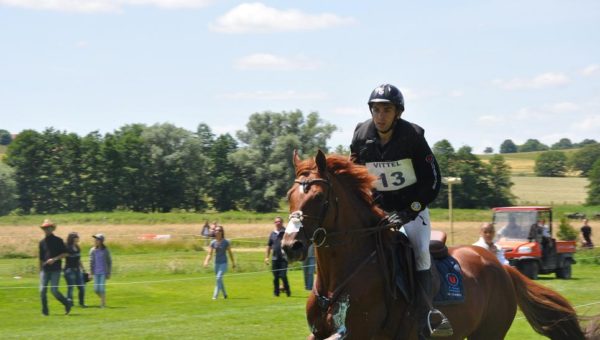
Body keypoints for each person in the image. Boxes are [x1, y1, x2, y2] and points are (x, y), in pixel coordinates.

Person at [350, 84, 450, 338]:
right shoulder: (361, 135)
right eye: (376, 110)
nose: (380, 115)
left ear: (398, 113)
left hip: (411, 209)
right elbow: (355, 176)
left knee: (420, 254)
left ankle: (427, 314)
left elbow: (433, 180)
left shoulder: (413, 136)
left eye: (387, 109)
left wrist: (411, 210)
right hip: (377, 212)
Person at [38, 219, 72, 316]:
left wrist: (55, 259)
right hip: (45, 270)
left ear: (52, 228)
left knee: (54, 290)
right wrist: (40, 271)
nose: (46, 230)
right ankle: (45, 312)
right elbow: (40, 258)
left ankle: (67, 303)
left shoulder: (58, 240)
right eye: (44, 228)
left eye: (48, 228)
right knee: (42, 291)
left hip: (55, 270)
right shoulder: (41, 242)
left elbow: (66, 253)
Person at [203, 226, 236, 299]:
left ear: (221, 232)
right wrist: (206, 261)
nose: (216, 231)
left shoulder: (226, 242)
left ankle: (215, 296)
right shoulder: (213, 242)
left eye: (218, 230)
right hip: (216, 263)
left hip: (223, 263)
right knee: (219, 279)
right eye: (215, 230)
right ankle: (225, 294)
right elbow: (209, 254)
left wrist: (233, 263)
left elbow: (230, 253)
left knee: (218, 278)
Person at [265, 217, 290, 297]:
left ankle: (287, 290)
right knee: (275, 277)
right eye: (276, 222)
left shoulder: (286, 232)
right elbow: (269, 246)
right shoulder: (272, 234)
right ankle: (276, 293)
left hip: (284, 258)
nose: (278, 223)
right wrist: (266, 257)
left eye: (279, 221)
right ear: (274, 223)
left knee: (283, 275)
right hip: (274, 258)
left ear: (282, 222)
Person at [64, 232, 86, 307]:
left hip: (77, 270)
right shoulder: (67, 247)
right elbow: (62, 255)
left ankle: (82, 303)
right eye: (75, 237)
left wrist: (83, 269)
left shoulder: (77, 247)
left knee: (82, 287)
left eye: (77, 237)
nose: (77, 238)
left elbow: (79, 260)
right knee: (70, 287)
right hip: (69, 270)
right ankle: (70, 303)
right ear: (71, 238)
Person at [89, 233, 112, 308]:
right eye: (95, 239)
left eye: (97, 239)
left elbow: (109, 261)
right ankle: (103, 299)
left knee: (101, 288)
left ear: (101, 241)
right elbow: (91, 262)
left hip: (103, 272)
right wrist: (90, 273)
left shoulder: (105, 250)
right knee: (96, 290)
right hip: (96, 272)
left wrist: (108, 273)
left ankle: (102, 304)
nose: (95, 241)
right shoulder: (92, 250)